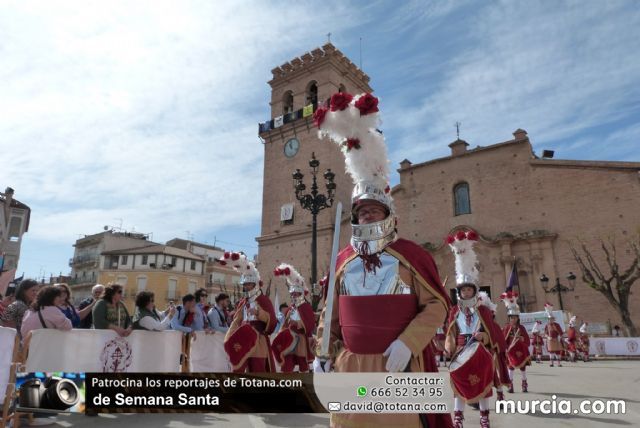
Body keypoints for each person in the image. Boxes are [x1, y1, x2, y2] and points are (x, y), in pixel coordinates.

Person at [313, 92, 453, 428]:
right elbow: (329, 313)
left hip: (397, 365)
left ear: (388, 214)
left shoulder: (410, 255)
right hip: (351, 366)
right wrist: (322, 351)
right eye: (362, 213)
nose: (367, 217)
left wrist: (409, 342)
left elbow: (437, 305)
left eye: (374, 211)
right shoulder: (344, 260)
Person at [444, 231, 505, 428]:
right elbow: (450, 332)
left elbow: (493, 333)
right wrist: (449, 346)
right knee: (459, 384)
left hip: (480, 350)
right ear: (459, 292)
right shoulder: (454, 311)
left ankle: (484, 417)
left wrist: (485, 336)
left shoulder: (483, 311)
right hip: (461, 350)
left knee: (483, 384)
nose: (466, 292)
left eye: (469, 290)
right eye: (463, 290)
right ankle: (459, 417)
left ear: (474, 291)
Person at [221, 252, 277, 373]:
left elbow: (272, 320)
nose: (246, 287)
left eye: (249, 284)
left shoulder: (263, 300)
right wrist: (228, 338)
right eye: (245, 284)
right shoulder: (243, 302)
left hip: (259, 342)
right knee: (237, 370)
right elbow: (237, 321)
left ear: (255, 284)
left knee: (257, 372)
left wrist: (258, 313)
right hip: (244, 340)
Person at [272, 263, 315, 373]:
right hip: (289, 340)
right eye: (292, 294)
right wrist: (281, 333)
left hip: (301, 340)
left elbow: (310, 324)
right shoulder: (291, 308)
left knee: (303, 365)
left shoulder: (306, 306)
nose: (293, 296)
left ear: (300, 294)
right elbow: (285, 324)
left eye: (296, 294)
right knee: (286, 365)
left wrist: (298, 324)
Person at [500, 292, 531, 393]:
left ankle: (524, 383)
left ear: (518, 318)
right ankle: (510, 385)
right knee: (510, 367)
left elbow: (527, 339)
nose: (513, 319)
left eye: (515, 317)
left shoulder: (521, 328)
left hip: (521, 349)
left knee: (523, 368)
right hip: (511, 350)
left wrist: (522, 339)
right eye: (511, 317)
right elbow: (503, 339)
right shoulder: (506, 328)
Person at [543, 303, 564, 367]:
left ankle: (559, 363)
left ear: (553, 319)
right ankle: (551, 363)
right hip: (550, 340)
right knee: (551, 352)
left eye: (551, 319)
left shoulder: (557, 325)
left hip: (556, 339)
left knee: (557, 351)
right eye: (549, 319)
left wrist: (559, 337)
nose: (550, 320)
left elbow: (561, 332)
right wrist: (548, 337)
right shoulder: (547, 325)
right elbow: (545, 333)